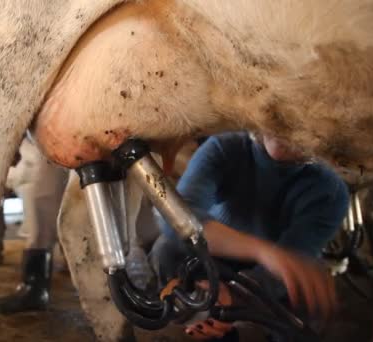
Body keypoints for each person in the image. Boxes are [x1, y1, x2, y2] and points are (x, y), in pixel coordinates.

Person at [149, 131, 349, 341]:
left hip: (269, 276)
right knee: (166, 250)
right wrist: (264, 252)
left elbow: (290, 264)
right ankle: (200, 319)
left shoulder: (330, 192)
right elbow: (176, 218)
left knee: (308, 298)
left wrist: (235, 296)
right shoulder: (224, 147)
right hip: (215, 252)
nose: (287, 130)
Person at [0, 139, 69, 315]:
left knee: (42, 205)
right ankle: (34, 288)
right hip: (48, 150)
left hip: (48, 149)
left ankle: (35, 290)